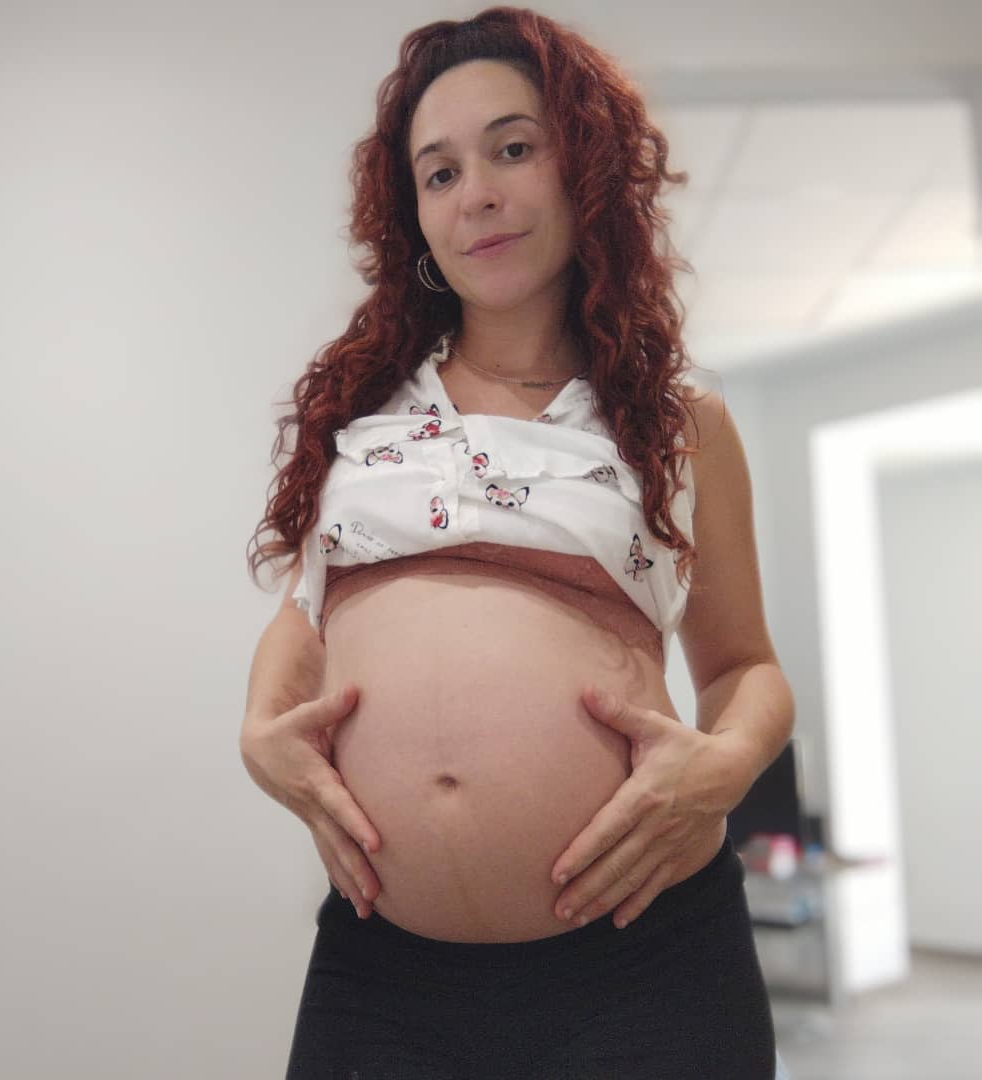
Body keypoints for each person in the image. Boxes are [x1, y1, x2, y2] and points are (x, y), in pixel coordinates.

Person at [240, 7, 795, 1078]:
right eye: (440, 173)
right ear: (414, 214)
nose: (477, 196)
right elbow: (304, 616)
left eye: (513, 149)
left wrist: (722, 768)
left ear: (584, 167)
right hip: (385, 973)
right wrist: (261, 733)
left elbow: (744, 668)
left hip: (645, 960)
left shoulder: (676, 422)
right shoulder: (363, 411)